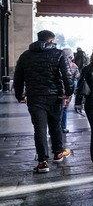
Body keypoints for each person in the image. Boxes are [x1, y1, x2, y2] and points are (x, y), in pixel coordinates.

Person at [13, 30, 74, 173]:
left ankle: (42, 161)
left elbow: (18, 78)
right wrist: (68, 93)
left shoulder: (25, 56)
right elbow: (67, 75)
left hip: (34, 97)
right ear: (51, 41)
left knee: (39, 129)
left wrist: (20, 95)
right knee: (56, 125)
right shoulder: (59, 54)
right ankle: (58, 152)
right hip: (55, 97)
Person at [60, 48, 81, 132]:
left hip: (59, 88)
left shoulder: (57, 63)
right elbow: (76, 76)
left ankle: (55, 128)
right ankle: (63, 127)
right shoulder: (74, 66)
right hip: (68, 90)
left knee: (56, 109)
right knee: (65, 109)